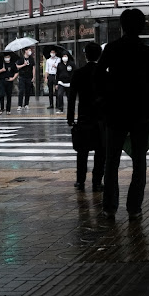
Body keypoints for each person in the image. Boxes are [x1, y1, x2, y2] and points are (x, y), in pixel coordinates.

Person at [95, 8, 149, 221]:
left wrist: (105, 99)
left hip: (115, 110)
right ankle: (134, 207)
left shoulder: (112, 48)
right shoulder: (145, 51)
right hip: (140, 112)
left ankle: (110, 207)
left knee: (111, 160)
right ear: (141, 26)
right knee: (139, 160)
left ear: (122, 26)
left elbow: (98, 76)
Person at [67, 42, 105, 192]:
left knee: (82, 152)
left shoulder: (78, 73)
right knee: (100, 152)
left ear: (85, 55)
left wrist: (70, 117)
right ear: (100, 55)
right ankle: (97, 181)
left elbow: (71, 97)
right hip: (101, 118)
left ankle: (80, 181)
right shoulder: (104, 73)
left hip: (84, 116)